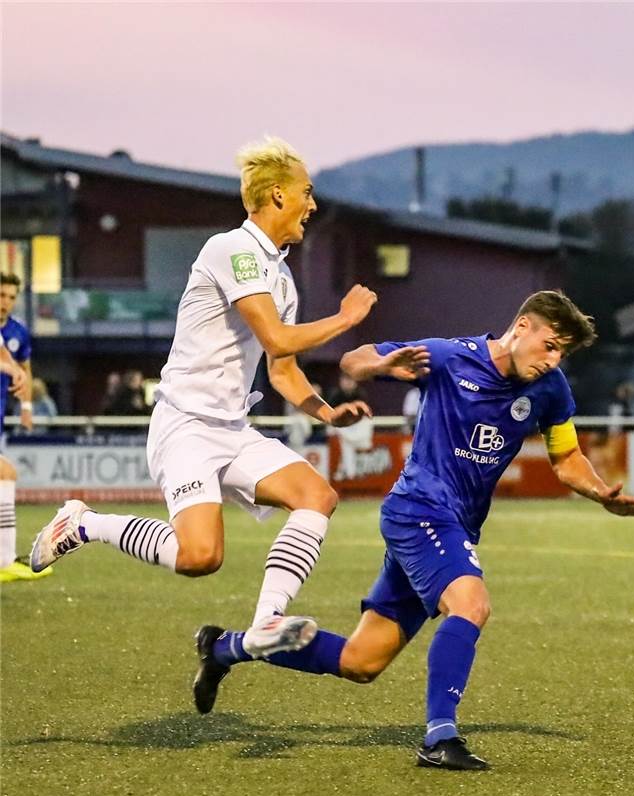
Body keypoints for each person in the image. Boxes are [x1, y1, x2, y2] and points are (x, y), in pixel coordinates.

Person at [195, 290, 634, 770]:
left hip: (453, 523)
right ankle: (440, 737)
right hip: (418, 510)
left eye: (563, 352)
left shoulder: (552, 388)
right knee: (471, 604)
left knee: (361, 661)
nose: (553, 359)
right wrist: (380, 367)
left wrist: (600, 491)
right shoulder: (451, 357)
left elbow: (567, 458)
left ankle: (227, 647)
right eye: (551, 345)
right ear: (522, 328)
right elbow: (355, 360)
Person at [31, 136, 378, 658]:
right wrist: (346, 320)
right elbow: (277, 339)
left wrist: (327, 412)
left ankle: (266, 622)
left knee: (317, 495)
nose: (313, 205)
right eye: (306, 193)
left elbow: (282, 370)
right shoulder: (232, 249)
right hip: (186, 426)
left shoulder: (280, 277)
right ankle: (84, 523)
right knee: (200, 557)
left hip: (232, 429)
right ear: (278, 195)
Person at [0, 272, 50, 583]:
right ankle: (5, 560)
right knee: (5, 474)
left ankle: (5, 560)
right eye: (1, 295)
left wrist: (26, 405)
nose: (5, 302)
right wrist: (9, 368)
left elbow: (18, 366)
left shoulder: (17, 331)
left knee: (5, 473)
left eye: (10, 297)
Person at [328, 372, 373, 480]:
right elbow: (329, 415)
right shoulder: (335, 394)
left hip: (356, 427)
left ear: (355, 382)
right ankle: (349, 473)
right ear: (340, 382)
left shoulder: (360, 393)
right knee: (345, 441)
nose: (348, 383)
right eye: (345, 380)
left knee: (351, 441)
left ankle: (348, 473)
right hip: (339, 426)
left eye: (350, 380)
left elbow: (365, 413)